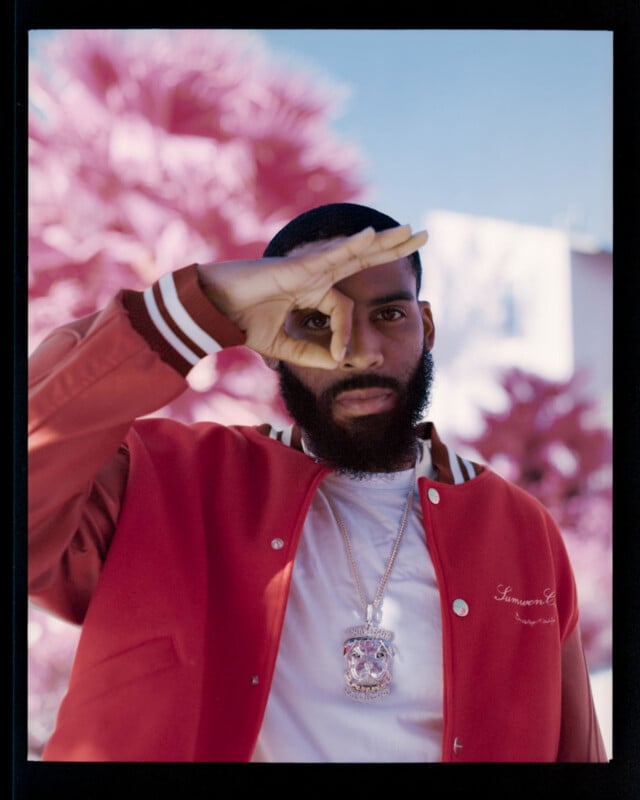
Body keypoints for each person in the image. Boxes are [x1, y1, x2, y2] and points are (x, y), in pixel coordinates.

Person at [28, 202, 607, 763]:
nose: (357, 351)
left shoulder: (523, 529)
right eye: (315, 321)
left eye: (388, 314)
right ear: (268, 348)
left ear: (425, 326)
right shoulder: (166, 482)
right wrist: (203, 308)